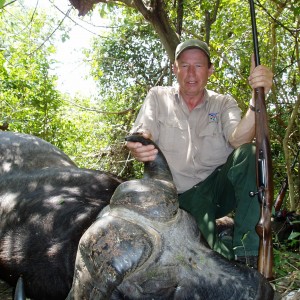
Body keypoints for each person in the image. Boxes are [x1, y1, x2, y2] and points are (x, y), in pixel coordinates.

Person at [126, 39, 273, 267]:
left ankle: (250, 253)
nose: (191, 73)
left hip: (217, 190)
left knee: (250, 152)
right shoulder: (158, 96)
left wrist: (257, 97)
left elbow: (238, 139)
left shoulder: (223, 103)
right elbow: (144, 130)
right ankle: (222, 244)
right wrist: (140, 144)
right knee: (208, 262)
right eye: (184, 66)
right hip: (179, 198)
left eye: (199, 66)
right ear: (175, 69)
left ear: (210, 70)